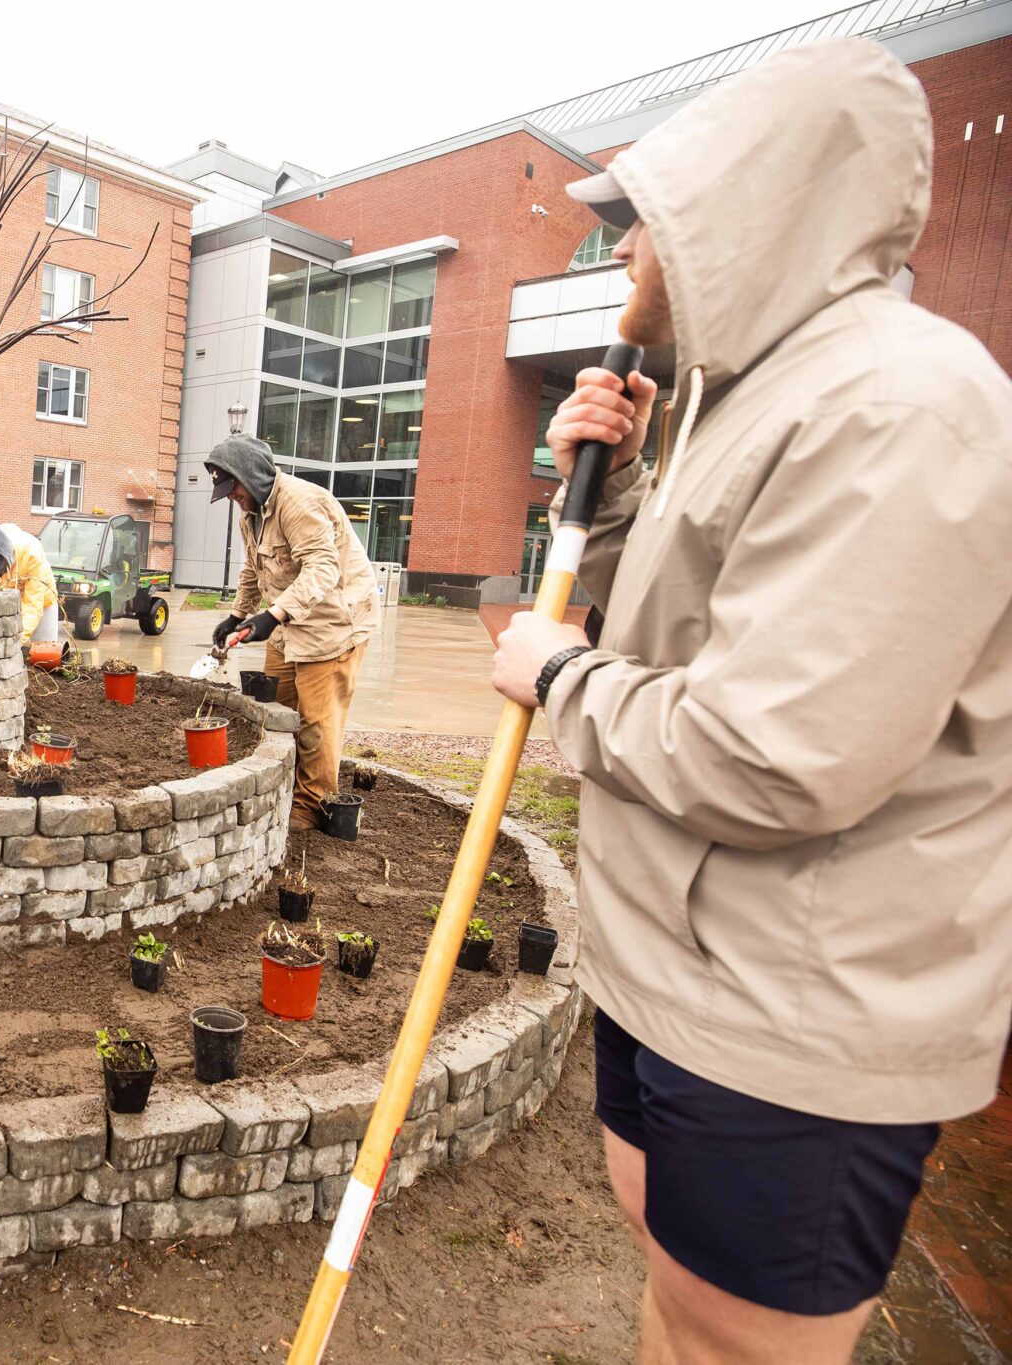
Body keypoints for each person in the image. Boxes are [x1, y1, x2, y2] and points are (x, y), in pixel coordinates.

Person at [489, 39, 1012, 1364]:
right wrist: (594, 495)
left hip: (794, 1005)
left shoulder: (903, 408)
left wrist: (554, 678)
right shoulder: (739, 403)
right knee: (679, 1296)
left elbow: (780, 758)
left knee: (740, 1340)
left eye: (638, 224)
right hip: (683, 964)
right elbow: (671, 637)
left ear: (742, 215)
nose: (615, 257)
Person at [205, 434, 377, 831]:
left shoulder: (300, 504)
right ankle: (286, 787)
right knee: (279, 710)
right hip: (288, 623)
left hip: (332, 626)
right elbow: (253, 567)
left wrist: (273, 615)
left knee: (317, 721)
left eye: (234, 489)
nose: (233, 498)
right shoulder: (252, 512)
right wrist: (237, 615)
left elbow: (322, 569)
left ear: (253, 476)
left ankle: (311, 807)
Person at [0, 520, 63, 666]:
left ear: (7, 557)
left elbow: (32, 606)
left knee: (45, 657)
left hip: (42, 602)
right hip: (6, 602)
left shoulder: (31, 553)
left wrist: (13, 641)